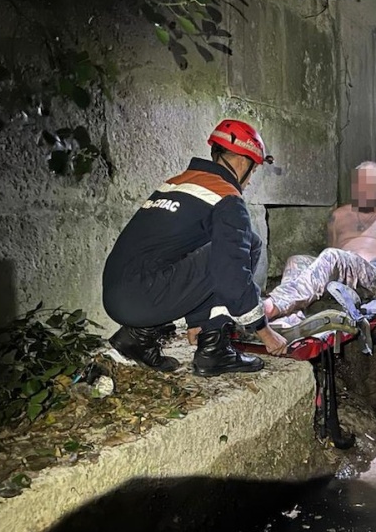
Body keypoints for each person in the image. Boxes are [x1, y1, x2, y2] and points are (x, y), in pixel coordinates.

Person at [102, 119, 288, 377]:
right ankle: (215, 351)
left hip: (116, 295)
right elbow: (231, 274)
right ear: (244, 163)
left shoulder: (177, 182)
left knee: (214, 246)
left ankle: (137, 339)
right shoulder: (226, 197)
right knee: (247, 246)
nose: (248, 182)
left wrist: (199, 319)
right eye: (253, 172)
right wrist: (264, 332)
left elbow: (177, 254)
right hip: (142, 299)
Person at [260, 161, 376, 323]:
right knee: (296, 261)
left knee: (333, 256)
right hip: (341, 282)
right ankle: (289, 320)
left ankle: (274, 304)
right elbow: (329, 258)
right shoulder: (338, 215)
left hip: (375, 279)